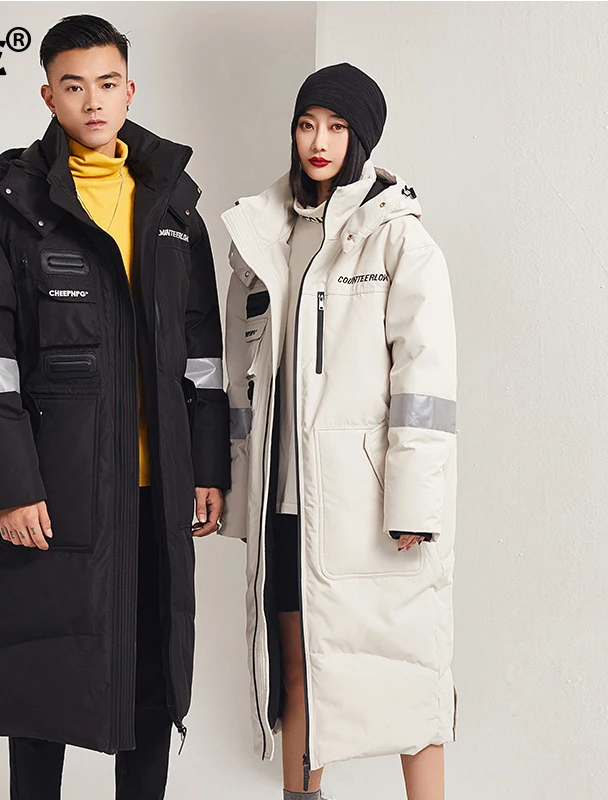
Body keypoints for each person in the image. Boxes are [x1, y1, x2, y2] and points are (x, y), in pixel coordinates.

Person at [0, 14, 230, 800]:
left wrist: (206, 467)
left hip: (156, 494)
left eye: (107, 84)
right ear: (48, 95)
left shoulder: (174, 214)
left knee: (150, 685)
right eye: (74, 86)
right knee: (43, 685)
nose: (93, 101)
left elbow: (202, 359)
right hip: (53, 493)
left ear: (130, 89)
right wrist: (11, 487)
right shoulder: (0, 214)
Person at [219, 63, 458, 800]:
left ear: (361, 137)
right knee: (296, 673)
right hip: (286, 504)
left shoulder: (398, 240)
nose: (318, 142)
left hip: (371, 503)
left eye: (336, 126)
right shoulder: (263, 234)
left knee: (410, 673)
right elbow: (239, 374)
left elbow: (425, 384)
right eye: (306, 124)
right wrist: (232, 482)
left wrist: (414, 501)